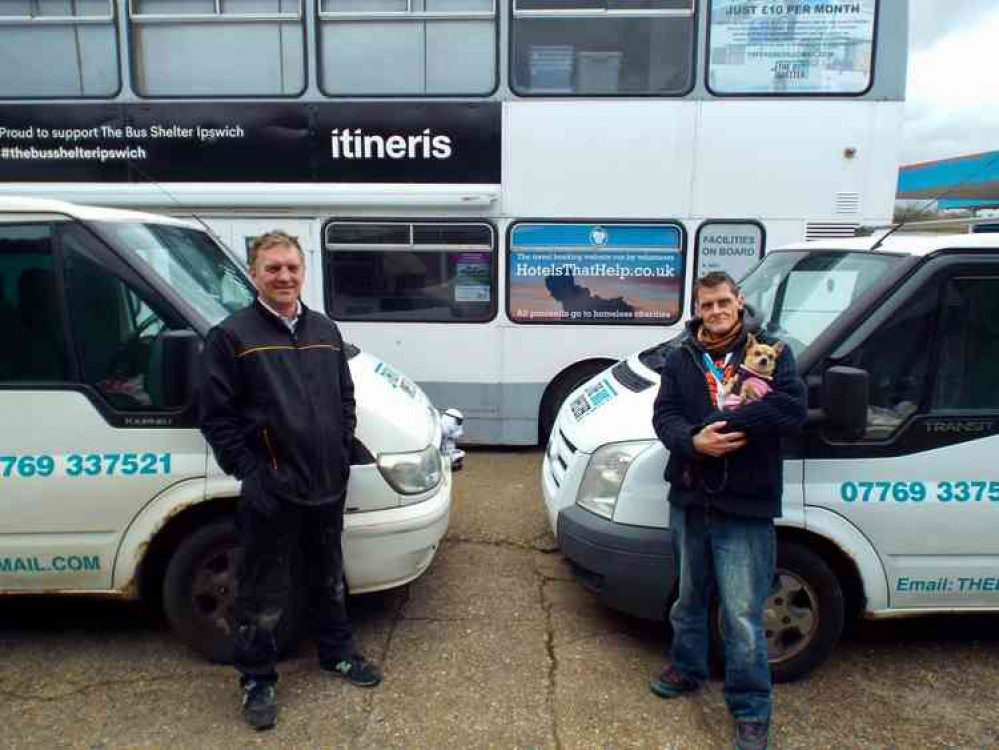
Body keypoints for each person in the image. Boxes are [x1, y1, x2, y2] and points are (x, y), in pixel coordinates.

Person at [200, 231, 381, 731]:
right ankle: (257, 678)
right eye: (273, 268)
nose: (284, 276)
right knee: (262, 590)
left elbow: (345, 399)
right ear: (254, 275)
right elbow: (217, 418)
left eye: (292, 268)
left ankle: (337, 653)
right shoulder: (232, 337)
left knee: (328, 577)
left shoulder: (325, 329)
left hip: (327, 484)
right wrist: (255, 475)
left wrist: (341, 451)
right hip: (273, 491)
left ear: (304, 273)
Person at [649, 271, 807, 750]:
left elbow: (792, 410)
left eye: (723, 302)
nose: (715, 312)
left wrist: (728, 422)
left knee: (741, 615)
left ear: (739, 302)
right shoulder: (682, 358)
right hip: (692, 497)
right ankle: (687, 669)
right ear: (696, 309)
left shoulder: (772, 353)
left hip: (746, 504)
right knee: (689, 599)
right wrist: (693, 441)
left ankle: (751, 710)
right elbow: (664, 415)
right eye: (707, 305)